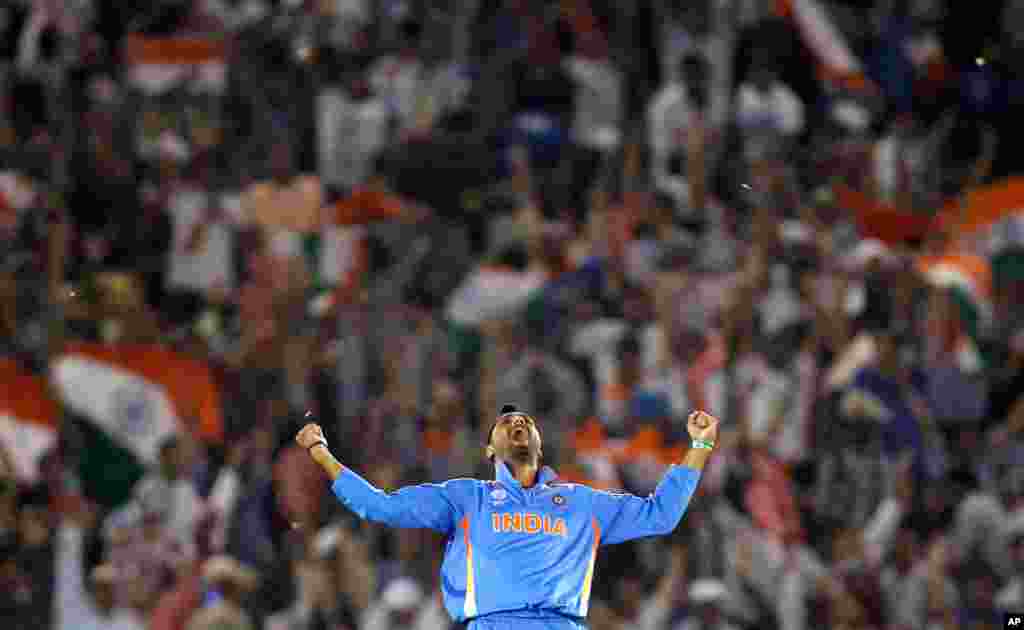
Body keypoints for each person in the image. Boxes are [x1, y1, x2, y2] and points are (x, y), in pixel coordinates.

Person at [294, 404, 720, 630]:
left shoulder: (582, 503)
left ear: (539, 444)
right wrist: (321, 453)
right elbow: (379, 505)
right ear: (489, 450)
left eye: (525, 422)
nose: (517, 422)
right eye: (506, 422)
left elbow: (660, 515)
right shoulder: (466, 498)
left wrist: (700, 447)